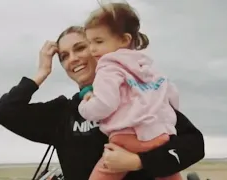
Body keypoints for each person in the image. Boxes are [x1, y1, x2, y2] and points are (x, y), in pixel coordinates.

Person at [0, 26, 205, 180]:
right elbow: (5, 112)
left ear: (97, 50)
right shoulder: (63, 113)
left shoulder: (140, 93)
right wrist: (41, 72)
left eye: (80, 48)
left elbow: (194, 145)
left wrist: (139, 162)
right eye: (64, 56)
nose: (73, 58)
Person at [77, 2, 181, 180]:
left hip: (126, 139)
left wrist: (85, 105)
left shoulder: (108, 66)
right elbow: (172, 97)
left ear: (124, 40)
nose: (92, 49)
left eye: (98, 41)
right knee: (168, 173)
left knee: (104, 172)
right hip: (160, 136)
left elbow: (105, 104)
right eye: (89, 42)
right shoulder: (149, 67)